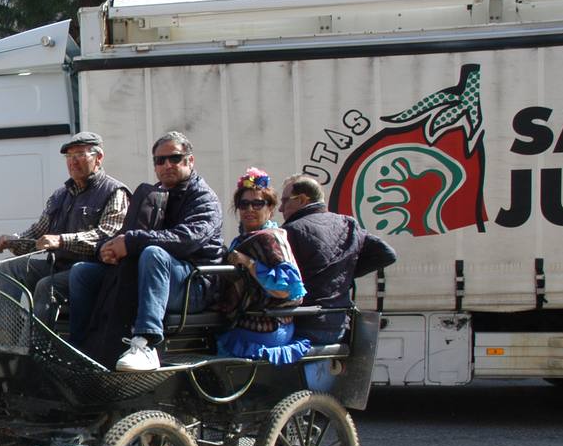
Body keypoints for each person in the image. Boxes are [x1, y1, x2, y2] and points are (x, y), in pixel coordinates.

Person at [70, 130, 224, 371]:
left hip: (193, 284)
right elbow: (122, 232)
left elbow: (185, 240)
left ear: (190, 160)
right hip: (153, 276)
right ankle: (78, 349)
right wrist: (106, 249)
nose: (166, 165)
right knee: (82, 272)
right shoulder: (154, 195)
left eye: (174, 158)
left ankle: (146, 343)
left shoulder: (204, 199)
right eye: (159, 160)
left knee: (154, 254)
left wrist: (129, 243)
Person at [0, 131, 130, 324]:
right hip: (60, 266)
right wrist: (12, 241)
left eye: (80, 155)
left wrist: (62, 240)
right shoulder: (61, 195)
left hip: (93, 269)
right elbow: (38, 233)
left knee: (47, 285)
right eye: (69, 156)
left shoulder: (114, 192)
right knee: (10, 268)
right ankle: (1, 331)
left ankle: (38, 346)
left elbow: (106, 236)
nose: (73, 161)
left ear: (98, 158)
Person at [279, 174, 398, 344]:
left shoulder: (290, 232)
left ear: (302, 200)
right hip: (340, 327)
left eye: (285, 201)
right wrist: (344, 272)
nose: (280, 208)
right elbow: (387, 254)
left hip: (303, 327)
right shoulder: (349, 224)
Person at [214, 169, 310, 364]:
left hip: (266, 325)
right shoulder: (242, 239)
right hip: (250, 321)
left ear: (271, 208)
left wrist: (249, 263)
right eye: (244, 204)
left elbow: (286, 290)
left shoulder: (270, 238)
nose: (249, 209)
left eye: (257, 204)